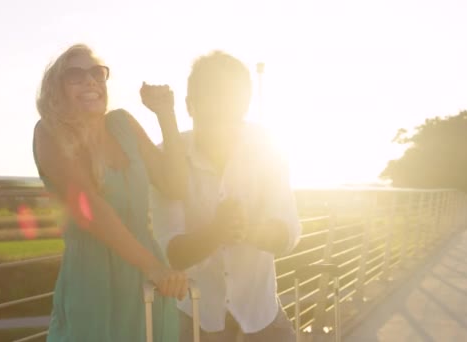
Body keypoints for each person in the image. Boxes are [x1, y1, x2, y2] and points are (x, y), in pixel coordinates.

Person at [33, 44, 189, 342]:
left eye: (96, 73)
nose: (90, 81)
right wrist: (153, 267)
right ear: (57, 89)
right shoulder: (48, 132)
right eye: (75, 75)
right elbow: (89, 207)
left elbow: (175, 185)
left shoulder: (123, 124)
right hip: (94, 284)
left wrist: (166, 114)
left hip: (149, 281)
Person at [152, 51, 302, 341]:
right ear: (189, 105)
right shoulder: (167, 155)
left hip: (261, 312)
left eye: (233, 107)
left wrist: (246, 231)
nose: (222, 119)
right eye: (212, 105)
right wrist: (217, 232)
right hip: (195, 318)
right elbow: (170, 253)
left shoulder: (268, 147)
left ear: (245, 105)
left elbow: (289, 231)